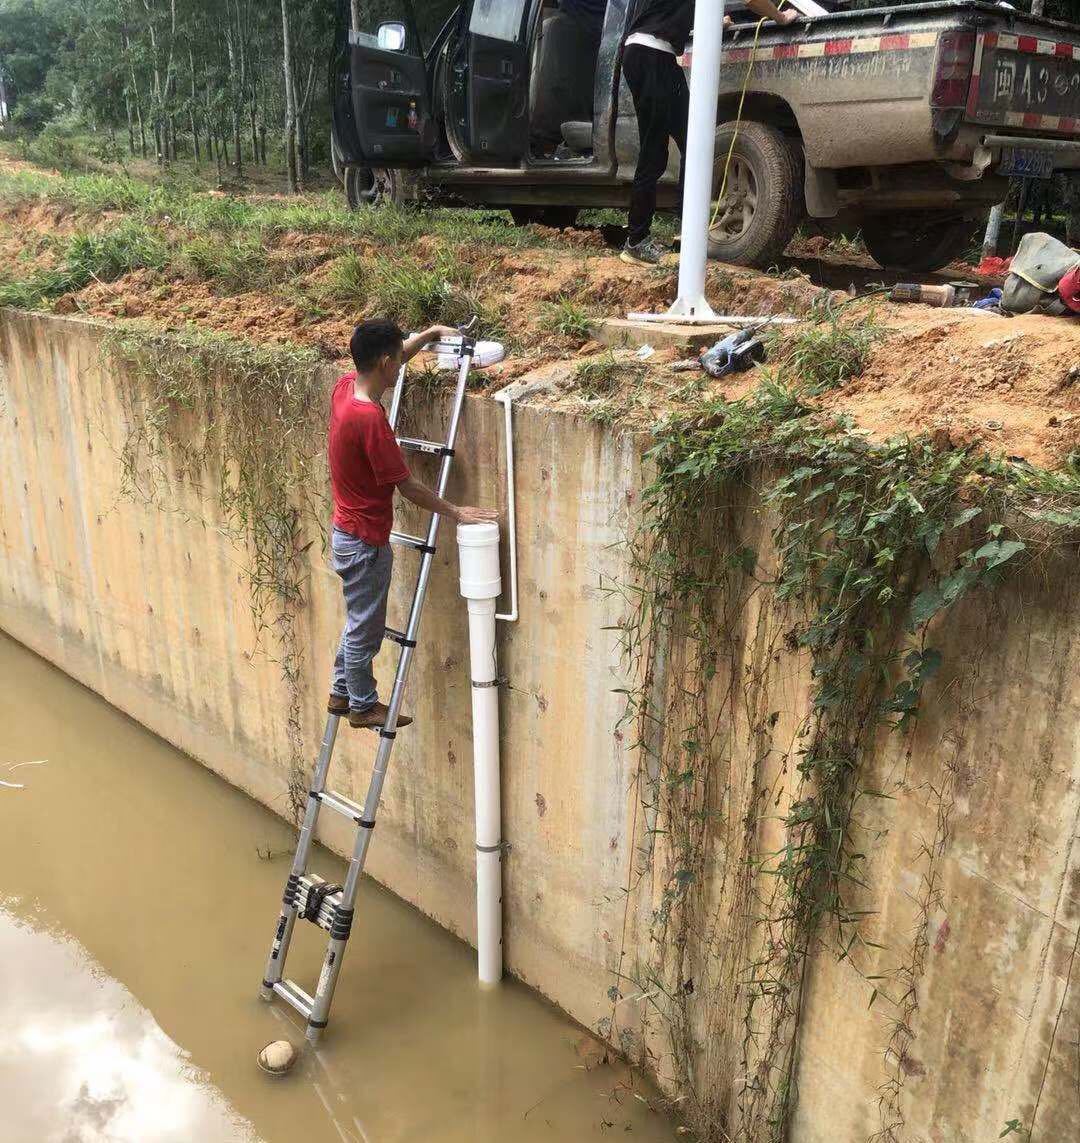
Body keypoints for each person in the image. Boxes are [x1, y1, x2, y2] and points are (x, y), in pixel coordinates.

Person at [327, 319, 498, 730]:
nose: (401, 365)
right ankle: (363, 705)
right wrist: (457, 512)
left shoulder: (346, 386)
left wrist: (432, 334)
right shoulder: (369, 420)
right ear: (386, 362)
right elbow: (408, 488)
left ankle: (340, 691)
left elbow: (396, 352)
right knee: (365, 630)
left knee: (357, 621)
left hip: (347, 532)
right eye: (397, 360)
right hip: (365, 541)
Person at [620, 0, 798, 267]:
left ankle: (683, 232)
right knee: (663, 149)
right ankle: (639, 241)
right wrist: (780, 17)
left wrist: (714, 21)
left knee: (690, 143)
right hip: (652, 54)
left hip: (651, 54)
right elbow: (751, 0)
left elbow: (674, 10)